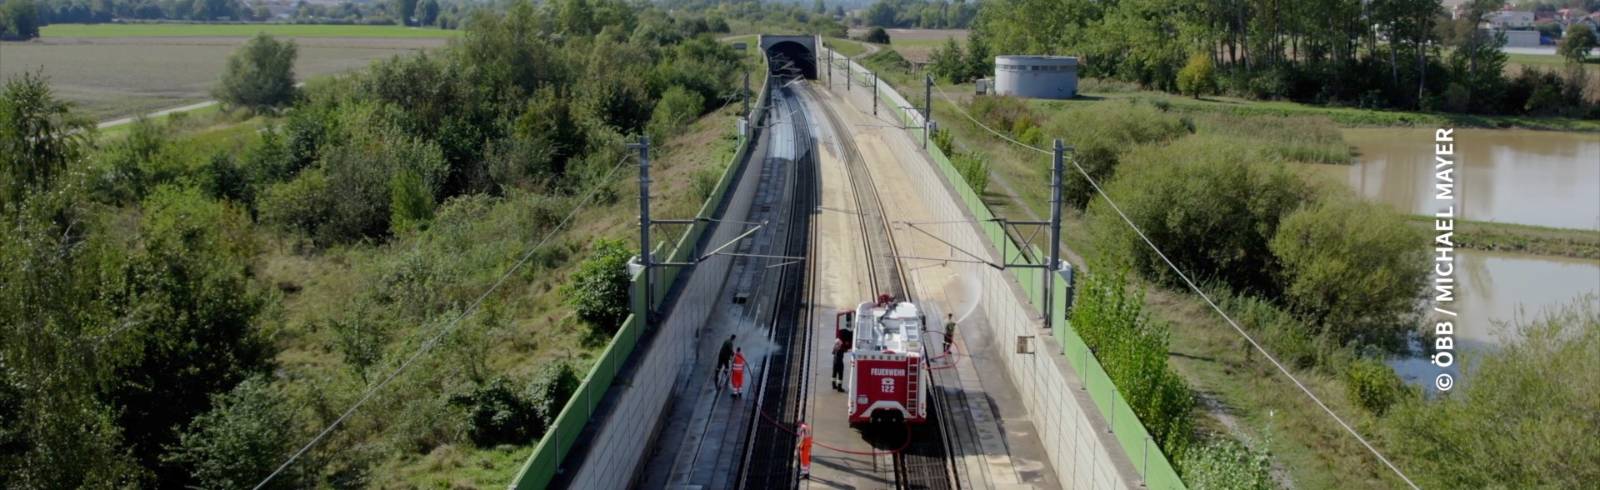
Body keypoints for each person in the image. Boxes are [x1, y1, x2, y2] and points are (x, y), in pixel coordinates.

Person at [831, 327, 853, 391]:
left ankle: (833, 385)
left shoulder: (837, 343)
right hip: (839, 361)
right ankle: (839, 388)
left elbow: (833, 352)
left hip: (834, 360)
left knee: (834, 373)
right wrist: (846, 349)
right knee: (840, 374)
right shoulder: (842, 345)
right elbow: (845, 349)